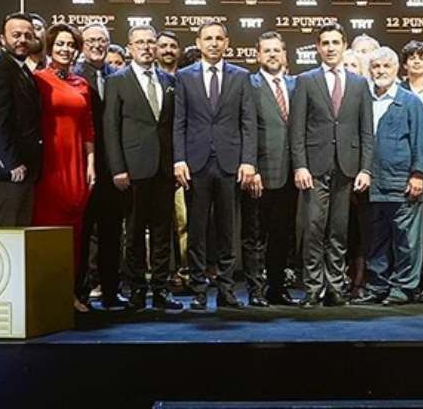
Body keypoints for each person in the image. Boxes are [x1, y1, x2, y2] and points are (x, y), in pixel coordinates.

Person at [290, 22, 374, 307]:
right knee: (313, 229)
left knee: (339, 231)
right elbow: (297, 129)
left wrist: (365, 168)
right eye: (325, 43)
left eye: (335, 42)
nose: (330, 48)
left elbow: (366, 131)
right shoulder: (305, 80)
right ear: (317, 47)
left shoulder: (359, 84)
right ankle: (313, 288)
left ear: (344, 46)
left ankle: (336, 287)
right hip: (314, 167)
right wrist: (300, 165)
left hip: (347, 167)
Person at [173, 21, 257, 310]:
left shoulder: (241, 76)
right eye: (208, 38)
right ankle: (198, 290)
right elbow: (179, 122)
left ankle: (226, 290)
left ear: (227, 43)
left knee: (226, 231)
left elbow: (248, 122)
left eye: (218, 38)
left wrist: (248, 161)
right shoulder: (184, 77)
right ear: (199, 42)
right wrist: (179, 159)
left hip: (229, 164)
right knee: (196, 230)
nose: (213, 43)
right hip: (195, 164)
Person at [106, 25, 181, 310]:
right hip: (133, 168)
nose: (147, 47)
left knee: (163, 232)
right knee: (135, 232)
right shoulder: (117, 80)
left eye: (151, 42)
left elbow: (174, 126)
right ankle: (137, 289)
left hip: (164, 168)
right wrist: (117, 168)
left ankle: (161, 289)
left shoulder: (169, 80)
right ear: (130, 47)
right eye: (140, 43)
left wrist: (176, 163)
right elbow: (111, 128)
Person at [355, 47, 423, 306]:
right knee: (376, 240)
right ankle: (377, 286)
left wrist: (418, 174)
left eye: (386, 66)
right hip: (372, 184)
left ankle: (403, 288)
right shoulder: (364, 101)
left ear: (397, 69)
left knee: (406, 240)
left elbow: (422, 142)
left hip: (402, 182)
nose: (381, 71)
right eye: (376, 67)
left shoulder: (410, 102)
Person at [32, 24, 97, 311]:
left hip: (77, 164)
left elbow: (88, 127)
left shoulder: (81, 83)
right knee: (48, 227)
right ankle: (44, 296)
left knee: (75, 230)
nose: (65, 49)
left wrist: (91, 163)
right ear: (49, 46)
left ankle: (68, 294)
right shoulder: (38, 80)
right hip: (49, 162)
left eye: (71, 44)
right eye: (60, 43)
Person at [241, 31, 302, 307]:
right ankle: (255, 290)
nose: (273, 55)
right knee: (255, 235)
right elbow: (246, 128)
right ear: (258, 55)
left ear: (285, 54)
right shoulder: (248, 85)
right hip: (259, 173)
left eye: (277, 50)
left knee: (281, 234)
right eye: (267, 50)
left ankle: (276, 288)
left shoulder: (296, 85)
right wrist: (251, 167)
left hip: (290, 173)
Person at [73, 23, 127, 308]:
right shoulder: (74, 76)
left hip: (113, 167)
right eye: (91, 40)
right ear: (82, 45)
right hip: (84, 166)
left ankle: (110, 290)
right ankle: (80, 291)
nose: (97, 45)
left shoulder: (117, 76)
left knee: (112, 231)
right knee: (82, 232)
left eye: (102, 40)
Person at [0, 13, 43, 227]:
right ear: (2, 38)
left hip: (24, 168)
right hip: (6, 170)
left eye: (27, 35)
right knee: (3, 234)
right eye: (16, 35)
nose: (22, 40)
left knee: (19, 233)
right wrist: (10, 162)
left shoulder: (21, 69)